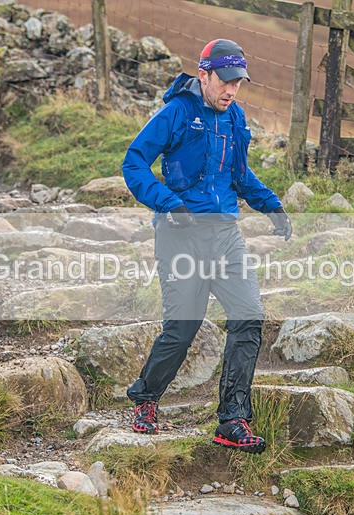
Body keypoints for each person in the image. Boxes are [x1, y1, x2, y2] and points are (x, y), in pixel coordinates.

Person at [121, 39, 292, 454]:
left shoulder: (234, 117)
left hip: (225, 235)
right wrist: (168, 203)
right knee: (183, 328)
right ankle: (146, 397)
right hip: (180, 234)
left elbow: (239, 174)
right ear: (204, 75)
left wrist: (271, 205)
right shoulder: (177, 112)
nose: (232, 91)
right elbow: (134, 162)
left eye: (239, 83)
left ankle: (232, 420)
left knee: (249, 317)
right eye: (226, 81)